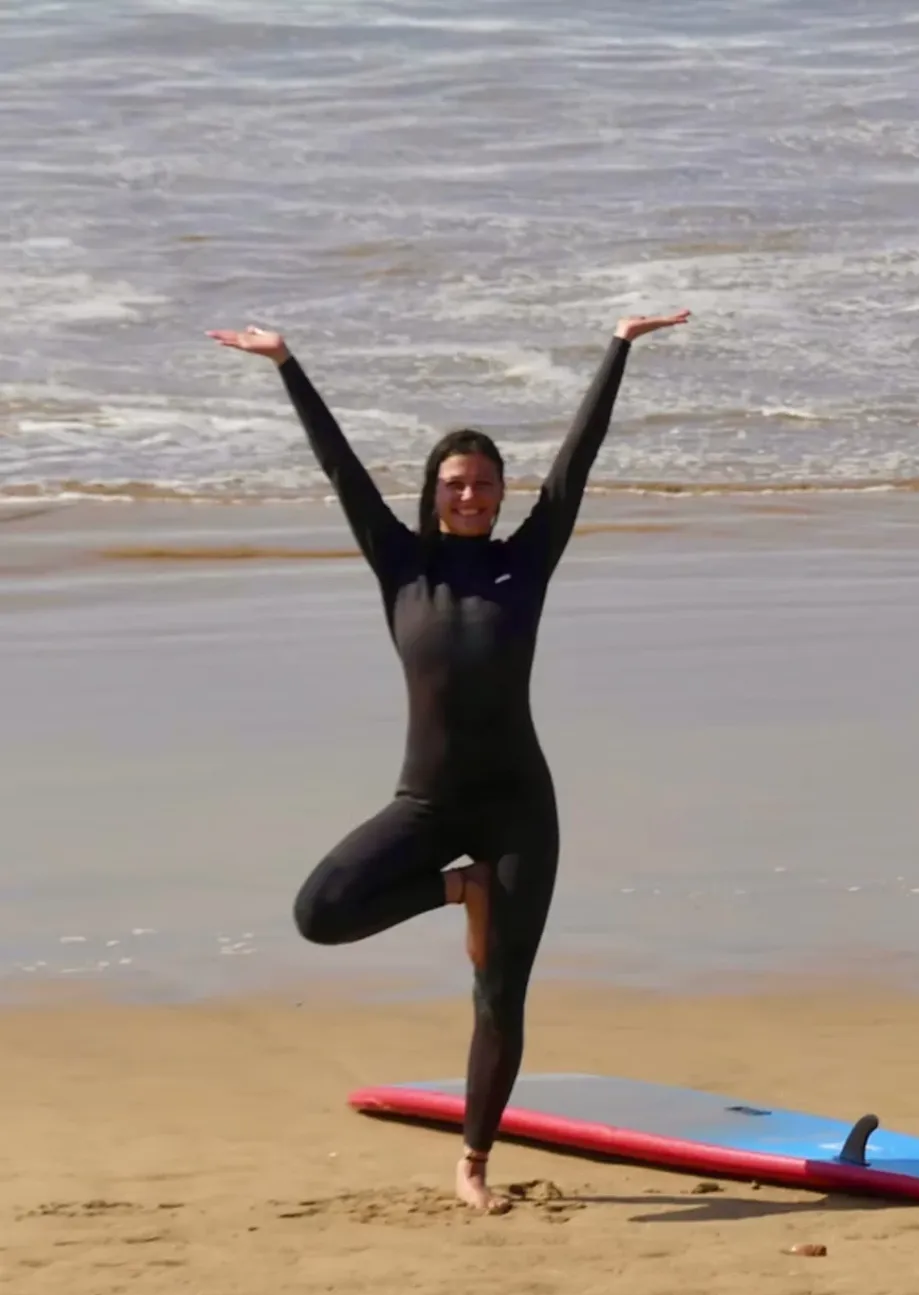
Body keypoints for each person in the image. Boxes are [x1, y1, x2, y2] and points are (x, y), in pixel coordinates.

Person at [209, 311, 691, 1212]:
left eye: (485, 485)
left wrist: (619, 347)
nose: (472, 496)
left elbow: (576, 465)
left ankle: (473, 1163)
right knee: (321, 910)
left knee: (499, 994)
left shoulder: (527, 561)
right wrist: (285, 363)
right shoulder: (401, 567)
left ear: (502, 494)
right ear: (434, 490)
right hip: (427, 804)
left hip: (517, 808)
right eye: (457, 483)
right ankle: (456, 890)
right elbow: (340, 468)